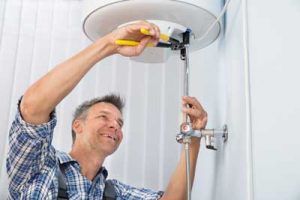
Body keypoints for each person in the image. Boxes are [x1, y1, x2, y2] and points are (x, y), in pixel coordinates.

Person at [6, 21, 208, 199]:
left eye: (120, 123)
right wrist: (110, 44)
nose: (115, 126)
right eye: (104, 117)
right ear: (78, 125)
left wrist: (195, 137)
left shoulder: (115, 193)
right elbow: (31, 107)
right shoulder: (41, 169)